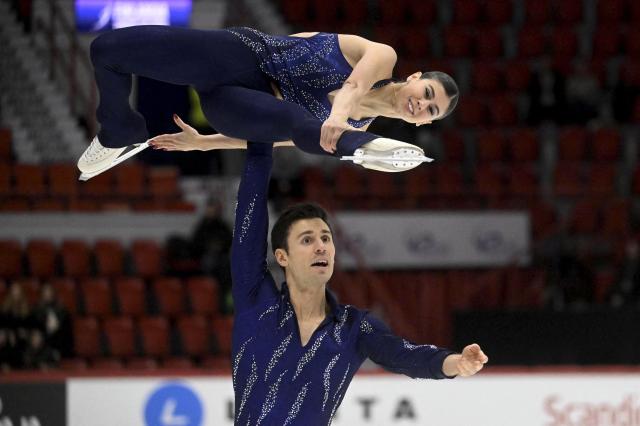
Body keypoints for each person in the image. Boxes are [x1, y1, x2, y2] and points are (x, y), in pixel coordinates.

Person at [226, 141, 487, 424]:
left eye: (326, 238)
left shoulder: (353, 328)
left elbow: (405, 356)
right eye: (307, 240)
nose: (321, 247)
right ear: (282, 256)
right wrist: (261, 144)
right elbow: (247, 228)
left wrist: (455, 364)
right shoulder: (257, 304)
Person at [77, 26, 458, 179]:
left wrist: (203, 143)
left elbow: (269, 138)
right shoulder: (382, 55)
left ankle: (358, 149)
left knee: (298, 123)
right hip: (241, 55)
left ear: (424, 125)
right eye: (426, 94)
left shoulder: (345, 124)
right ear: (414, 78)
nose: (421, 106)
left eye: (431, 112)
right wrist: (338, 116)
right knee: (106, 50)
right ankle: (119, 131)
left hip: (235, 107)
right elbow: (356, 85)